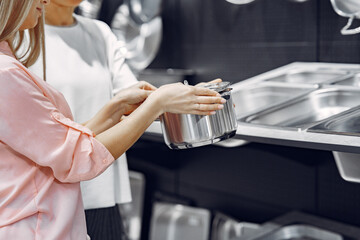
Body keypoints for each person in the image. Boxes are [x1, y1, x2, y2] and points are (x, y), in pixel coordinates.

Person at [0, 0, 226, 239]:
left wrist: (174, 98)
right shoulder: (13, 60)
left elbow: (57, 139)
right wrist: (158, 102)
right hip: (46, 213)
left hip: (77, 197)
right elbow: (73, 154)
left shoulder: (96, 32)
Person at [28, 0, 142, 238]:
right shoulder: (20, 36)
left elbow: (136, 97)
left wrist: (187, 96)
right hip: (43, 201)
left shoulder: (99, 32)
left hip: (100, 192)